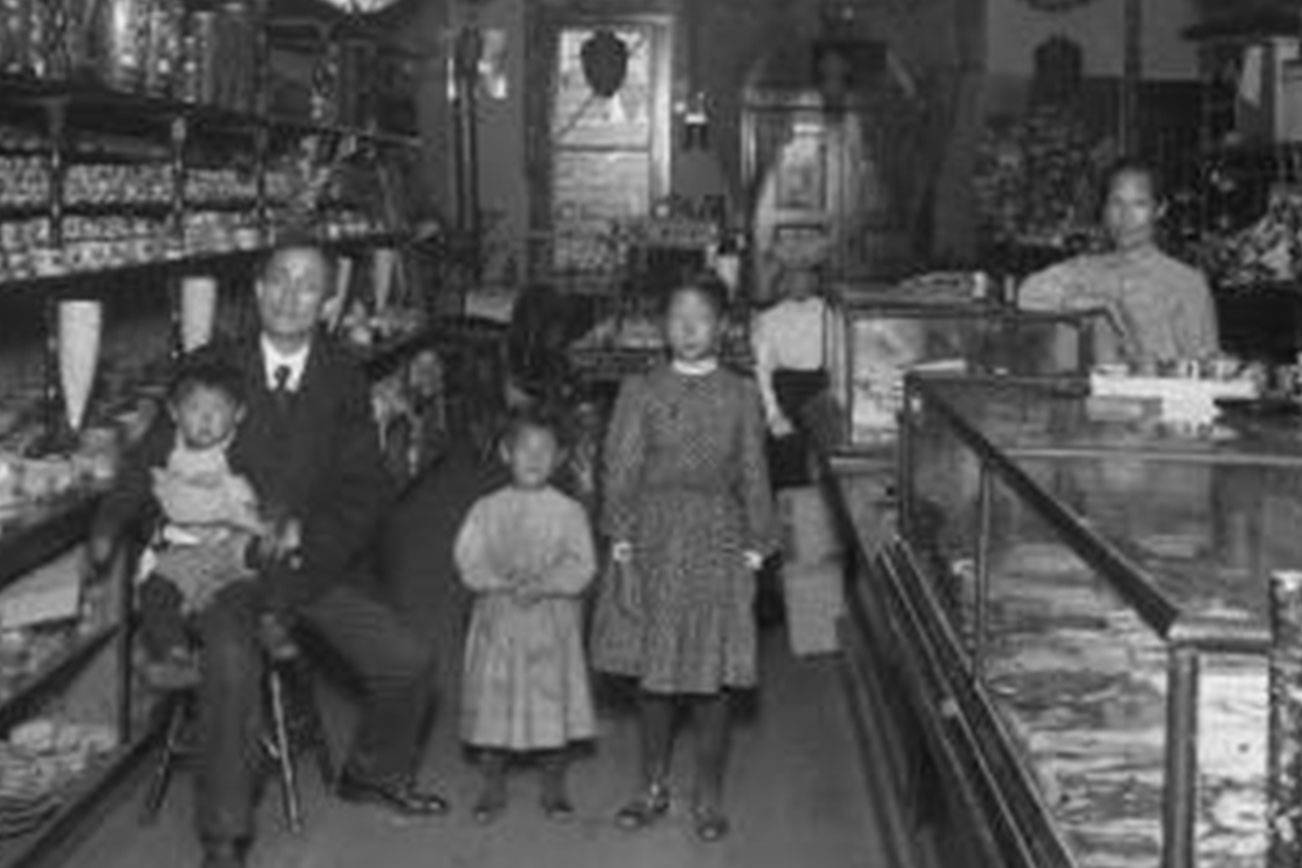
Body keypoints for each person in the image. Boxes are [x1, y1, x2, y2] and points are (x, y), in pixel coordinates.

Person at [91, 237, 447, 868]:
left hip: (312, 563)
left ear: (327, 300)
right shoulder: (212, 366)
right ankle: (225, 837)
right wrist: (176, 531)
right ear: (257, 291)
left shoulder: (341, 374)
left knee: (409, 662)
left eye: (308, 285)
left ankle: (370, 771)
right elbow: (152, 463)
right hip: (223, 567)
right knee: (231, 660)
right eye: (278, 281)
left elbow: (366, 488)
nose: (290, 296)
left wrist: (306, 537)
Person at [589, 275, 776, 843]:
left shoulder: (741, 393)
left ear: (722, 326)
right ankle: (651, 786)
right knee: (655, 676)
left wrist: (756, 547)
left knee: (713, 680)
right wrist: (619, 538)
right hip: (652, 540)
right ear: (661, 328)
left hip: (719, 540)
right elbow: (618, 467)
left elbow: (752, 471)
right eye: (676, 317)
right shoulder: (639, 390)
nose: (689, 327)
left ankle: (709, 795)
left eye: (701, 317)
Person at [453, 409, 597, 825]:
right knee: (492, 701)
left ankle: (554, 788)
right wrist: (498, 580)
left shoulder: (569, 511)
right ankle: (491, 786)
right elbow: (468, 559)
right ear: (504, 453)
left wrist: (547, 583)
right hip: (498, 621)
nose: (534, 458)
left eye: (545, 450)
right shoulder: (485, 508)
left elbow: (583, 564)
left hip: (551, 626)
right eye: (523, 449)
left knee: (551, 702)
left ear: (561, 458)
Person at [135, 359, 300, 687]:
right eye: (194, 408)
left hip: (233, 543)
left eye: (219, 409)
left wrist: (273, 518)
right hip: (186, 550)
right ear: (174, 413)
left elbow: (275, 489)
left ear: (238, 414)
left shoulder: (243, 453)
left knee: (275, 558)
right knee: (154, 590)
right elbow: (141, 493)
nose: (207, 419)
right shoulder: (165, 454)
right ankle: (175, 655)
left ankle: (272, 620)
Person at [1018, 159, 1219, 371]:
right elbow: (1027, 295)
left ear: (1159, 210)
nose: (1125, 217)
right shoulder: (1084, 269)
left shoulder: (1186, 282)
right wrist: (1101, 302)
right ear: (1104, 209)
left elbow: (1205, 365)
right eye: (1116, 203)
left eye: (1139, 204)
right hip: (1094, 399)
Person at [750, 263, 842, 487]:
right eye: (792, 277)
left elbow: (839, 361)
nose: (799, 282)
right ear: (783, 283)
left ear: (815, 282)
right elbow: (762, 370)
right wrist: (773, 414)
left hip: (821, 391)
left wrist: (840, 402)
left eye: (806, 276)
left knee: (825, 466)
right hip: (785, 392)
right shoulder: (769, 318)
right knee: (785, 462)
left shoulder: (830, 315)